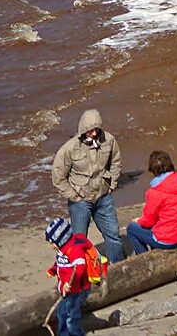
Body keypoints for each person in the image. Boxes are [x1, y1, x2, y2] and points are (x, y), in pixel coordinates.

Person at [52, 108, 123, 262]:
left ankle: (117, 267)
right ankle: (80, 272)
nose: (94, 134)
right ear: (83, 129)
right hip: (81, 201)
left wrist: (112, 185)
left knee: (114, 236)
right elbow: (58, 177)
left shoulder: (109, 141)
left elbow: (116, 163)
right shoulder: (69, 148)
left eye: (97, 130)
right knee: (79, 241)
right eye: (91, 130)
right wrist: (73, 195)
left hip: (103, 197)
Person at [123, 151, 177, 254]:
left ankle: (144, 257)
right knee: (157, 222)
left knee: (132, 229)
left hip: (169, 240)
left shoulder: (155, 192)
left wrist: (138, 221)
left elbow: (148, 221)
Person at [44, 217, 98, 336]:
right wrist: (52, 271)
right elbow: (59, 264)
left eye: (52, 242)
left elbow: (80, 266)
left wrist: (69, 283)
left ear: (60, 239)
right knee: (61, 312)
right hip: (68, 290)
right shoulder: (62, 250)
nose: (51, 245)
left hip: (77, 289)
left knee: (71, 318)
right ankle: (63, 333)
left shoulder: (74, 249)